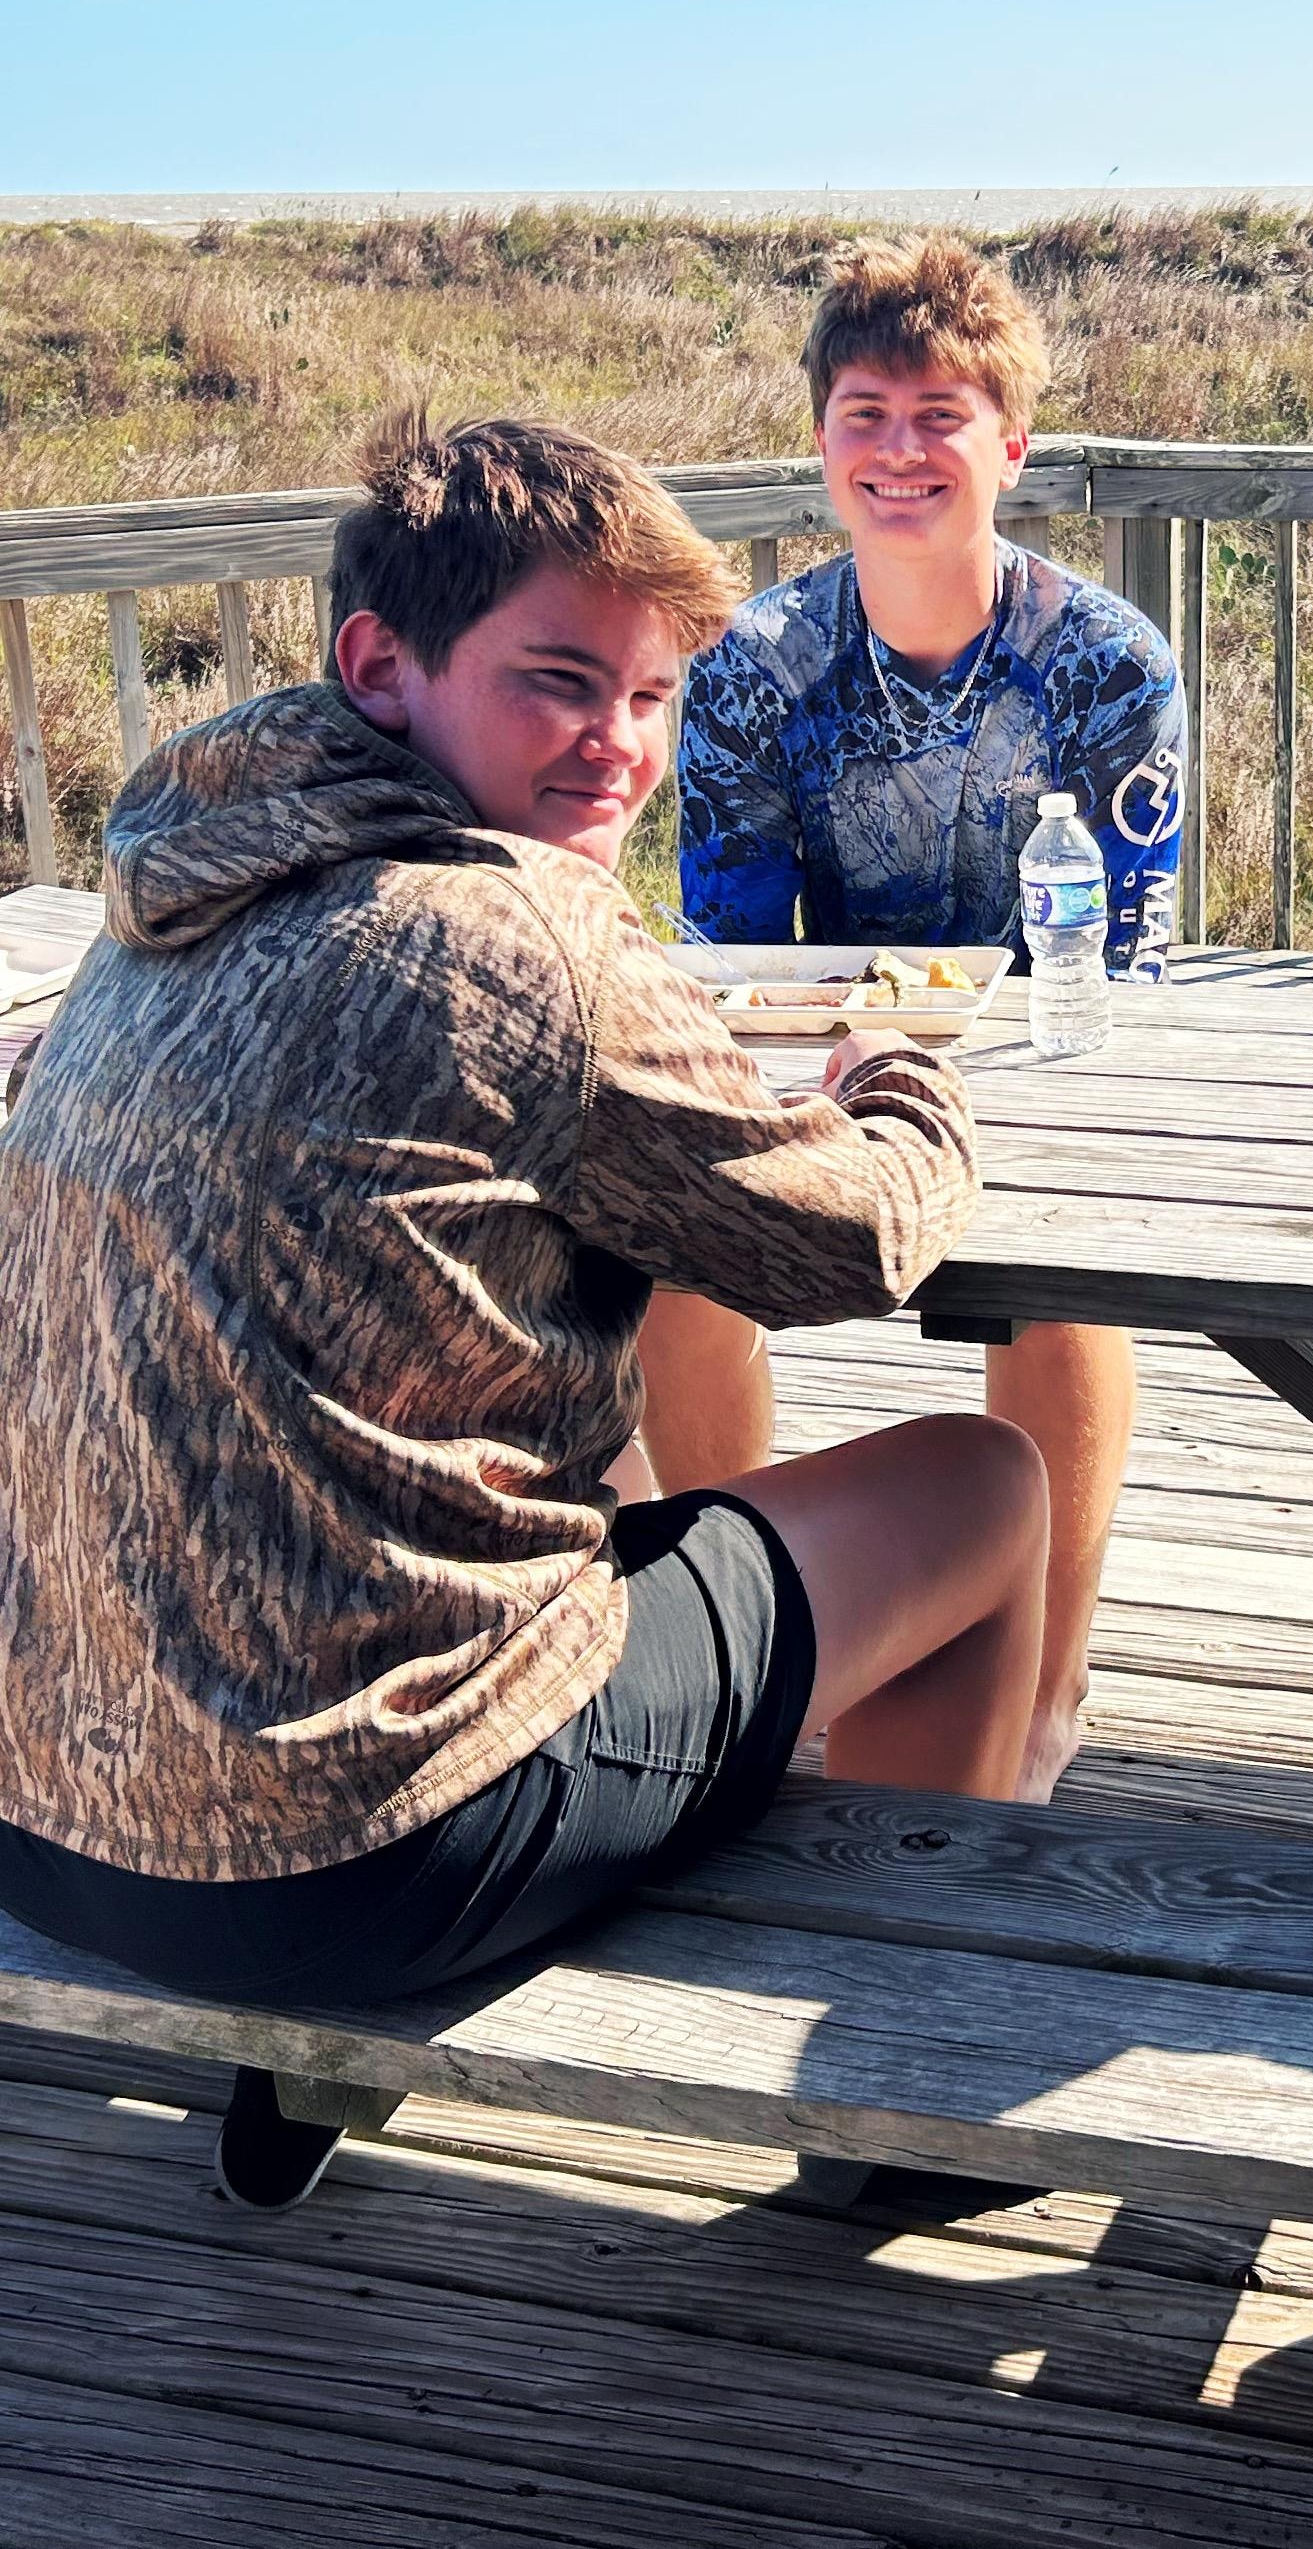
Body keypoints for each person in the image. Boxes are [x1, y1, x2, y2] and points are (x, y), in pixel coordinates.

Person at [0, 413, 1049, 2200]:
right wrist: (906, 1086)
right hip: (352, 1855)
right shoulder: (522, 940)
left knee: (597, 1469)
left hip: (48, 1814)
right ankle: (910, 2109)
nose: (616, 747)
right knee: (983, 1488)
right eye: (561, 681)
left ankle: (313, 2075)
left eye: (650, 697)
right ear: (379, 667)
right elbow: (849, 1246)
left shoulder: (152, 909)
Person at [669, 234, 1184, 1802]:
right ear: (820, 439)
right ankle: (731, 1660)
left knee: (1064, 1277)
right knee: (672, 1264)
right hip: (818, 1062)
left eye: (939, 415)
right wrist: (836, 1064)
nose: (901, 451)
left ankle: (1047, 1675)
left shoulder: (1105, 662)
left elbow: (1129, 951)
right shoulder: (750, 667)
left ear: (1008, 447)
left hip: (1047, 1060)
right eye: (866, 413)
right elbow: (732, 952)